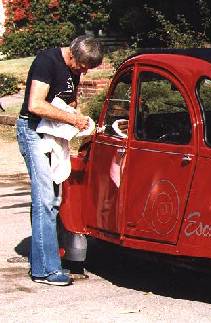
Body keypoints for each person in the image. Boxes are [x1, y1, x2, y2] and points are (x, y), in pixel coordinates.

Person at [16, 35, 103, 286]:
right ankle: (46, 270)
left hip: (52, 132)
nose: (83, 71)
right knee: (45, 199)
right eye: (82, 66)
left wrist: (77, 114)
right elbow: (35, 104)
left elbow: (68, 100)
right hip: (33, 131)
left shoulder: (75, 67)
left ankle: (42, 260)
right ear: (72, 55)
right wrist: (72, 120)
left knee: (52, 199)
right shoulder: (47, 62)